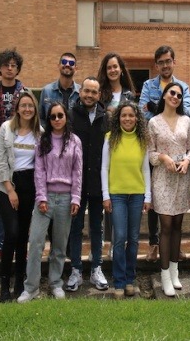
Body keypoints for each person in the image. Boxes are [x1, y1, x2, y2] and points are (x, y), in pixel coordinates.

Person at [18, 103, 82, 302]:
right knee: (36, 243)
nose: (56, 119)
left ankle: (55, 283)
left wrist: (76, 198)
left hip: (65, 199)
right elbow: (39, 171)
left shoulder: (74, 141)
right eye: (53, 116)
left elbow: (77, 172)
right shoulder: (42, 140)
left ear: (65, 117)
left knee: (60, 247)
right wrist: (41, 196)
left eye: (60, 115)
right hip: (45, 199)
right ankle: (31, 288)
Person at [138, 45, 190, 262]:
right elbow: (143, 110)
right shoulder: (147, 84)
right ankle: (154, 243)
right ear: (156, 64)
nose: (165, 65)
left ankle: (173, 248)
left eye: (168, 61)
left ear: (173, 62)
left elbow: (185, 112)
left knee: (175, 208)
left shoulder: (182, 87)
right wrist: (158, 110)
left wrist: (156, 105)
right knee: (155, 199)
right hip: (157, 146)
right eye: (161, 62)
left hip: (179, 154)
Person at [148, 82, 190, 297]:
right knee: (165, 225)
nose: (175, 96)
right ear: (164, 95)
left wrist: (187, 161)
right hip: (163, 179)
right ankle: (164, 274)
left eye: (179, 94)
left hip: (182, 178)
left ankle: (175, 272)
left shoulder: (186, 121)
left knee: (177, 224)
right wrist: (164, 158)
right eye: (171, 93)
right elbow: (150, 153)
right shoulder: (154, 123)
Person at [101, 101, 151, 299]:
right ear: (118, 118)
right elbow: (105, 168)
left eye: (131, 115)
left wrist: (148, 196)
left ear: (137, 118)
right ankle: (119, 281)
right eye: (124, 116)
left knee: (134, 239)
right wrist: (106, 194)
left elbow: (145, 169)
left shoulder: (142, 140)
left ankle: (130, 279)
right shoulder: (110, 138)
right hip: (117, 195)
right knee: (119, 237)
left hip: (137, 194)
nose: (128, 119)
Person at [0, 91, 41, 302]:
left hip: (29, 185)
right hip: (7, 185)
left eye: (30, 106)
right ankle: (4, 284)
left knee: (23, 236)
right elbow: (1, 161)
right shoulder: (6, 129)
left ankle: (19, 284)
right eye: (23, 105)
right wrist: (10, 190)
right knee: (11, 233)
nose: (27, 109)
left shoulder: (39, 132)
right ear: (17, 108)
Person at [0, 48, 29, 263]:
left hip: (21, 150)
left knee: (21, 200)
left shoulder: (25, 92)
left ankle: (21, 243)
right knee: (1, 195)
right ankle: (2, 244)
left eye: (13, 65)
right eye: (6, 65)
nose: (10, 68)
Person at [66, 77, 109, 292]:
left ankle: (96, 269)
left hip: (98, 183)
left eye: (94, 92)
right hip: (76, 183)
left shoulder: (106, 118)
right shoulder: (71, 116)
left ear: (99, 95)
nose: (90, 95)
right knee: (75, 228)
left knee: (96, 228)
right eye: (86, 91)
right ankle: (75, 269)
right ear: (80, 92)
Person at [97, 52, 136, 258]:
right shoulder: (100, 94)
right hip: (105, 146)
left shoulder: (129, 95)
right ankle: (111, 243)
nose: (112, 70)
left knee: (123, 196)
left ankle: (123, 242)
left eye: (115, 66)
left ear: (121, 69)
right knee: (109, 197)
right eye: (109, 67)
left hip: (125, 149)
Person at [38, 52, 81, 127]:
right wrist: (48, 133)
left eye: (71, 63)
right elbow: (40, 118)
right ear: (58, 66)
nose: (67, 65)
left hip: (74, 136)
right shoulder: (47, 91)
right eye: (64, 62)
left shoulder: (81, 92)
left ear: (76, 68)